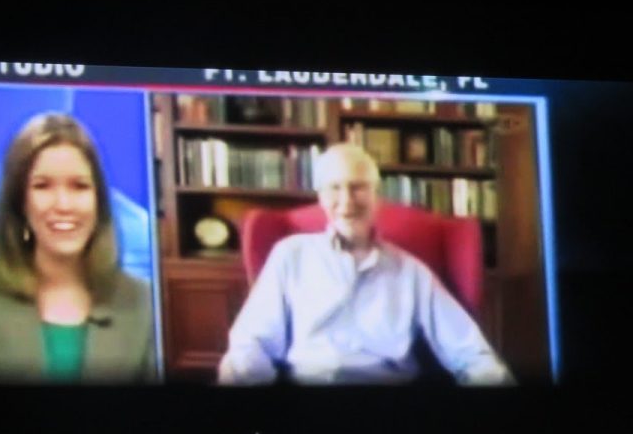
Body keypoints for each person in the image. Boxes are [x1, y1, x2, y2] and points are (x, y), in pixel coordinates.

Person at [218, 143, 514, 386]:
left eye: (358, 187)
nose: (347, 201)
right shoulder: (290, 255)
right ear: (321, 198)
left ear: (377, 196)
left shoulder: (411, 273)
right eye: (334, 188)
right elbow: (251, 343)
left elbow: (469, 351)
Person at [0, 113, 157, 383]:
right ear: (20, 202)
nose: (63, 204)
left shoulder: (143, 300)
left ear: (98, 200)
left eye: (79, 186)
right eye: (42, 186)